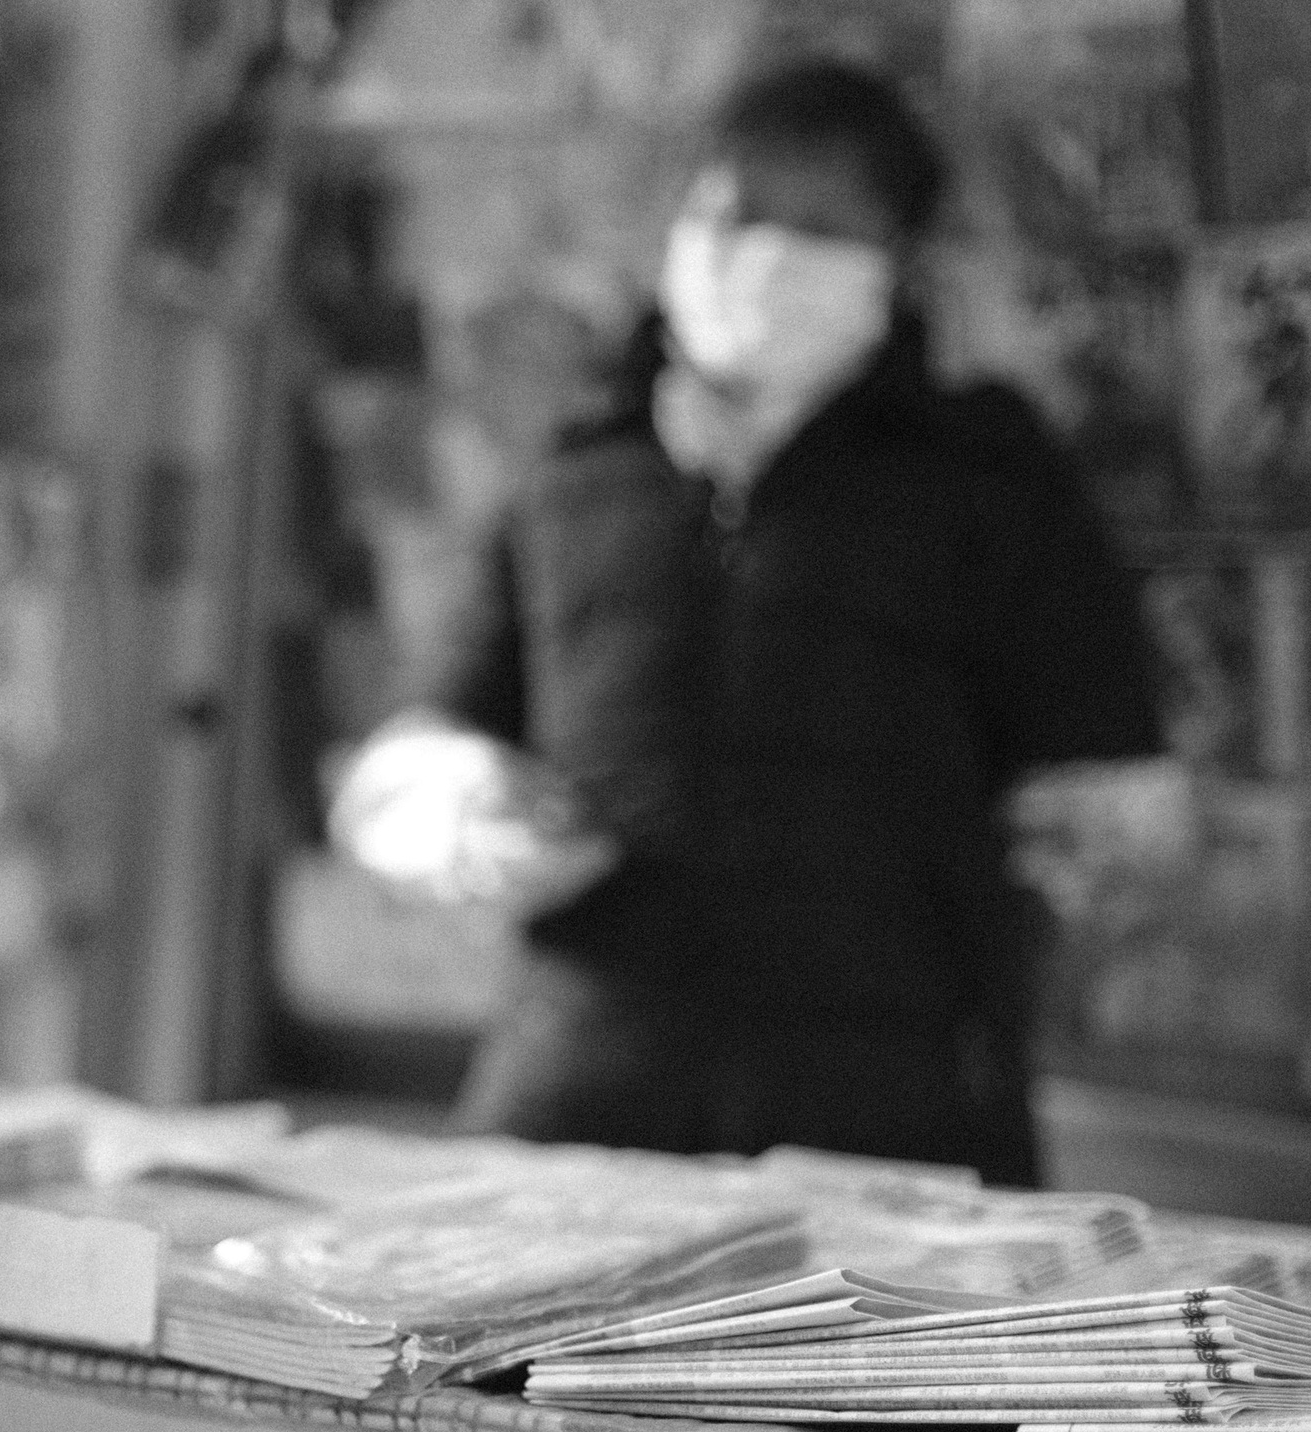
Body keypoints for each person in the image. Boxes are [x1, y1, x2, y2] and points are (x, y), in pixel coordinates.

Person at [396, 60, 1163, 1184]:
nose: (761, 258)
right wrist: (452, 812)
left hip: (892, 1119)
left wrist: (1077, 876)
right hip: (575, 1096)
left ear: (893, 262)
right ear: (679, 223)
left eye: (820, 227)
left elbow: (1106, 775)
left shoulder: (986, 475)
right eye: (737, 213)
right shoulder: (573, 469)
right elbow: (446, 726)